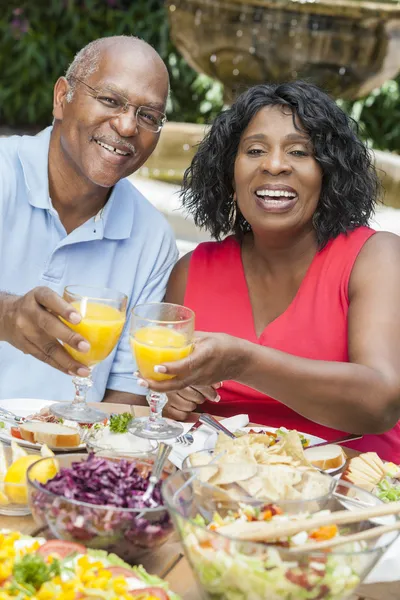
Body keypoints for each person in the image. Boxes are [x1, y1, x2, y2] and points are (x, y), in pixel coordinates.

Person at [137, 81, 400, 462]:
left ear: (328, 170)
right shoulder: (191, 272)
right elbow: (164, 405)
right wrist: (174, 397)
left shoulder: (375, 257)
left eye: (299, 151)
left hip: (354, 498)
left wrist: (244, 362)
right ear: (230, 171)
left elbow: (382, 401)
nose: (274, 164)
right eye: (255, 150)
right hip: (223, 495)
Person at [0, 35, 182, 405]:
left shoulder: (152, 238)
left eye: (148, 116)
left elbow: (127, 393)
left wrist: (82, 460)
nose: (128, 126)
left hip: (64, 453)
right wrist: (7, 315)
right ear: (61, 98)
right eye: (111, 101)